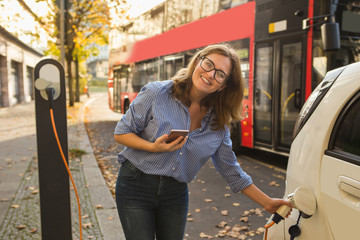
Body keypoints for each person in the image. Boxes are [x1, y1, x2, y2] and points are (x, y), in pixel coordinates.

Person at [113, 44, 291, 240]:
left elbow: (230, 169)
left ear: (223, 85)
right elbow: (121, 133)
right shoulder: (157, 93)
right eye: (208, 64)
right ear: (198, 61)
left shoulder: (219, 122)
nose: (210, 74)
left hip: (175, 194)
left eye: (220, 74)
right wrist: (152, 147)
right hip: (135, 185)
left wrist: (267, 202)